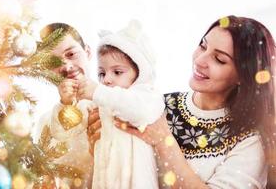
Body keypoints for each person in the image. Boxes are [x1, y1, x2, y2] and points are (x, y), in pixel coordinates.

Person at [87, 15, 276, 188]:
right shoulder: (156, 105)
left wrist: (164, 140)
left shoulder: (249, 142)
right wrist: (98, 142)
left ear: (243, 75)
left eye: (219, 59)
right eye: (203, 45)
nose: (200, 60)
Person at [75, 20, 165, 189]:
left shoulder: (146, 96)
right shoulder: (105, 100)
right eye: (102, 73)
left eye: (117, 72)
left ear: (139, 72)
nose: (106, 79)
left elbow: (140, 112)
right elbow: (78, 119)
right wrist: (72, 98)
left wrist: (97, 92)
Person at [33, 22, 93, 188]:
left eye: (72, 54)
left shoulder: (117, 103)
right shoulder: (46, 123)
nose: (66, 67)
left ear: (87, 52)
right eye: (53, 63)